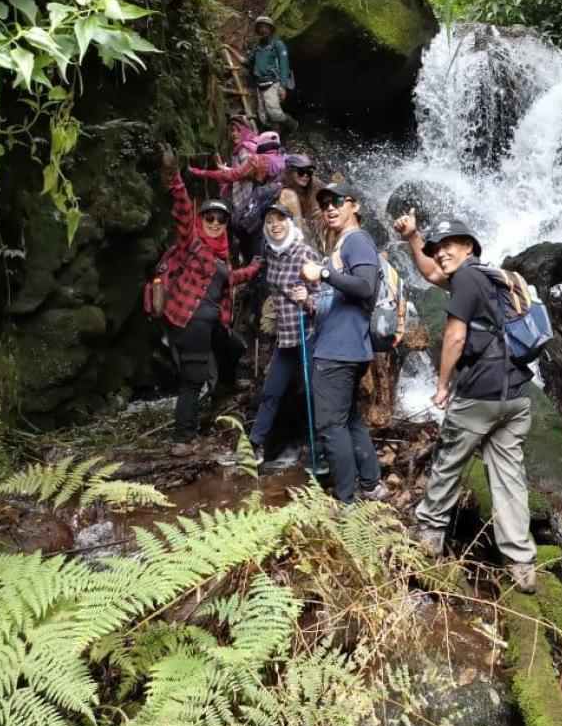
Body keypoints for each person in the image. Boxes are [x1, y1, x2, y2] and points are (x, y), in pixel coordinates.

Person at [410, 220, 538, 593]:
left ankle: (429, 535)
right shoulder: (489, 279)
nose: (441, 253)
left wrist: (442, 385)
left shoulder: (466, 278)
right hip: (516, 394)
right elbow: (431, 273)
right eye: (436, 248)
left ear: (469, 246)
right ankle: (521, 564)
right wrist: (413, 239)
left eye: (448, 245)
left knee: (448, 460)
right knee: (509, 476)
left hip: (480, 393)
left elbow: (455, 335)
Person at [157, 146, 261, 456]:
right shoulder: (191, 243)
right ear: (201, 220)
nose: (215, 223)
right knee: (193, 378)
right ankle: (183, 439)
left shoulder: (220, 256)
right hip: (190, 321)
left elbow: (229, 279)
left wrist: (255, 269)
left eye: (221, 220)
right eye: (210, 218)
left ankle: (225, 386)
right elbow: (182, 209)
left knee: (235, 347)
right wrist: (174, 175)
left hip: (212, 321)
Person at [299, 182, 390, 504]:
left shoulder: (357, 241)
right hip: (346, 347)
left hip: (339, 351)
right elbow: (343, 295)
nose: (330, 207)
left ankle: (346, 500)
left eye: (338, 201)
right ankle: (372, 485)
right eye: (325, 203)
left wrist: (323, 274)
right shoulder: (343, 244)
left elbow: (365, 286)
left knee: (329, 425)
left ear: (355, 206)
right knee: (348, 419)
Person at [248, 202, 320, 465]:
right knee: (271, 391)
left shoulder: (304, 253)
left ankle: (320, 450)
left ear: (289, 223)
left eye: (279, 219)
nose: (274, 225)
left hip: (307, 334)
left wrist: (307, 299)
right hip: (286, 337)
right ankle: (253, 447)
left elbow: (324, 296)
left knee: (313, 393)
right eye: (269, 221)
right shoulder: (270, 253)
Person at [222, 16, 291, 125]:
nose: (263, 29)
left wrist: (283, 86)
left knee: (273, 113)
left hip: (273, 83)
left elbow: (284, 66)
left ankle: (291, 126)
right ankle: (275, 135)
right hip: (260, 85)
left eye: (266, 27)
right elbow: (247, 63)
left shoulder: (278, 45)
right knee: (264, 118)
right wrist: (230, 49)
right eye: (261, 27)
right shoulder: (256, 47)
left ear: (270, 29)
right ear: (258, 29)